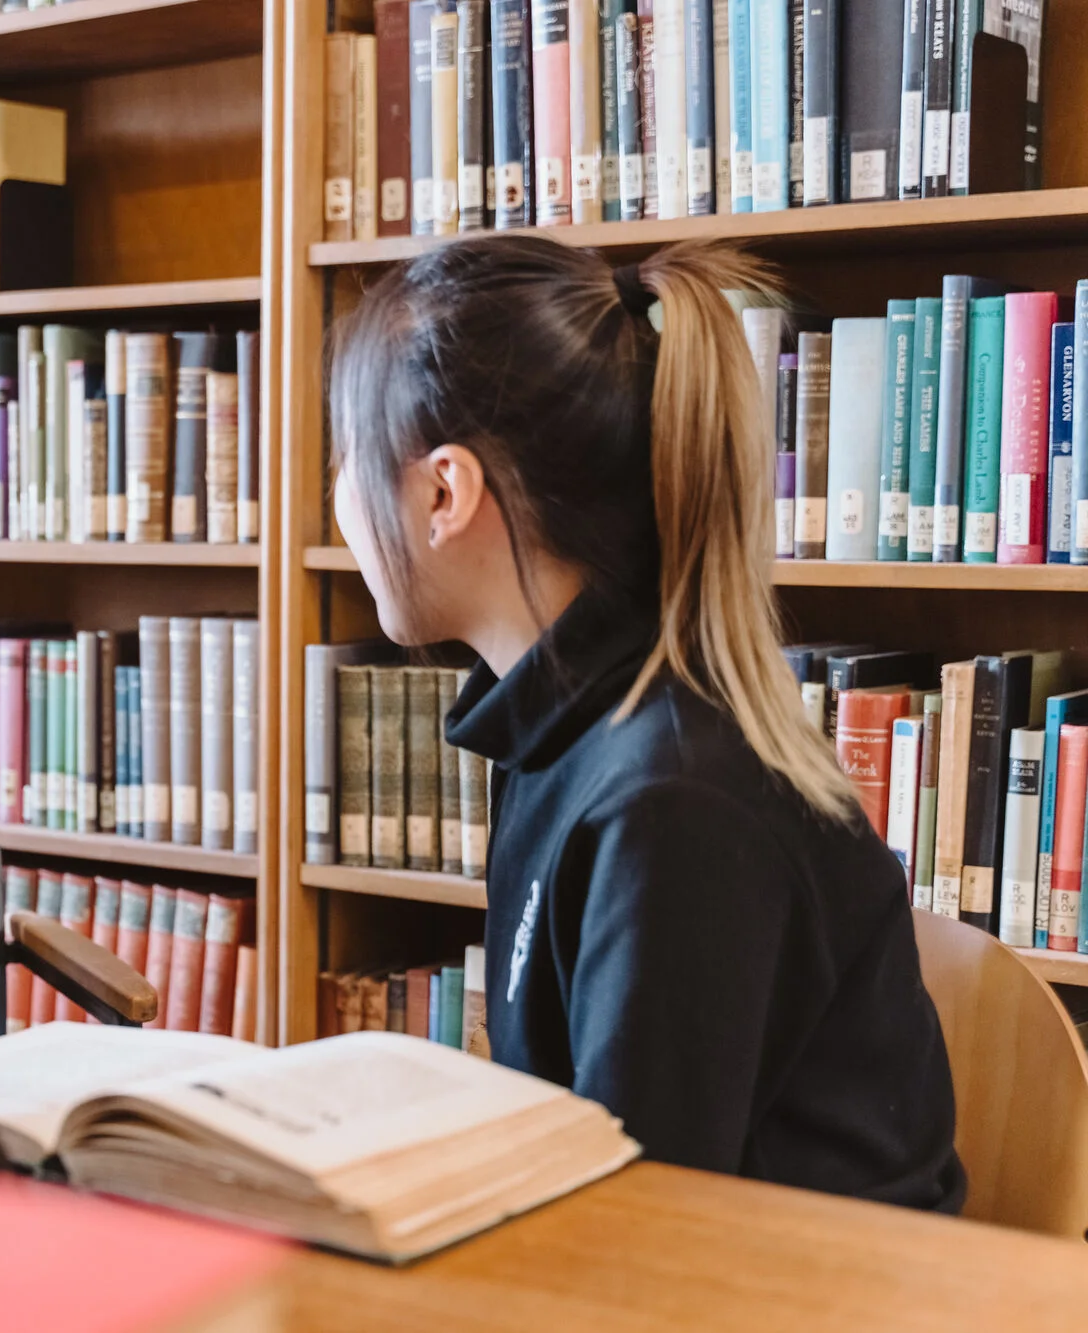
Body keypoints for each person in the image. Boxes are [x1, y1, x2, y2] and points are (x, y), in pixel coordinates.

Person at [325, 235, 964, 1210]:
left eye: (348, 460)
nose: (339, 499)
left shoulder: (670, 802)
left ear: (442, 493)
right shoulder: (566, 734)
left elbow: (644, 1226)